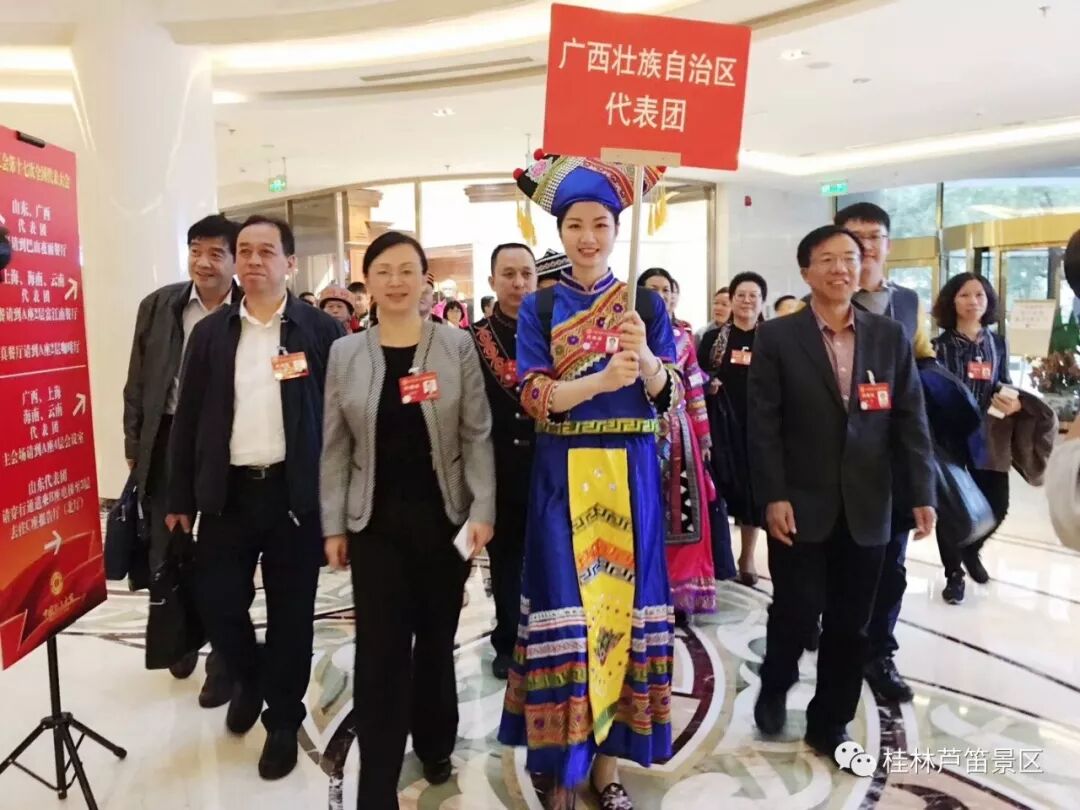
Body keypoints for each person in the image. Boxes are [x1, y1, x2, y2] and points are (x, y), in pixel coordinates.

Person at [500, 153, 678, 810]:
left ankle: (607, 766)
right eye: (575, 224)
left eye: (601, 224)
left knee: (621, 616)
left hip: (630, 472)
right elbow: (534, 395)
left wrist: (648, 359)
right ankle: (563, 764)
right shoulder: (540, 306)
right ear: (560, 231)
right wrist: (602, 380)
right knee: (569, 620)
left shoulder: (645, 304)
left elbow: (669, 397)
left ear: (617, 230)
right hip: (562, 473)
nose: (588, 236)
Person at [166, 214, 345, 780]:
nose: (253, 260)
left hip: (295, 498)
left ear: (289, 263)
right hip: (228, 496)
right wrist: (179, 496)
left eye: (266, 251)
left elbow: (341, 421)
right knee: (218, 603)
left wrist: (339, 505)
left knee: (292, 617)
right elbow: (187, 420)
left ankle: (284, 721)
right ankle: (249, 678)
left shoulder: (320, 331)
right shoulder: (211, 334)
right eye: (244, 250)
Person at [321, 231, 495, 809]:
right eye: (383, 271)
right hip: (374, 527)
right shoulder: (346, 353)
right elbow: (335, 447)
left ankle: (436, 739)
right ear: (368, 282)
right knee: (381, 654)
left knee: (436, 642)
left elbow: (476, 433)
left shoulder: (456, 346)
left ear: (425, 280)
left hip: (445, 524)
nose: (396, 281)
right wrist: (333, 524)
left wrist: (483, 510)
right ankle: (376, 786)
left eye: (407, 270)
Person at [749, 224, 935, 760]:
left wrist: (921, 492)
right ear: (806, 271)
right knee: (797, 610)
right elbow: (763, 425)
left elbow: (910, 419)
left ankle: (829, 721)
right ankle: (776, 681)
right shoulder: (778, 337)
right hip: (799, 501)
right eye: (827, 259)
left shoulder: (889, 336)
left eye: (850, 257)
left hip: (870, 503)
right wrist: (773, 495)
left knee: (852, 624)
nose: (841, 268)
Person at [122, 213, 238, 704]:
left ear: (234, 260)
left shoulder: (249, 308)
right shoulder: (159, 306)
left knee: (223, 556)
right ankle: (181, 638)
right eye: (196, 251)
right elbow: (137, 383)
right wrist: (135, 449)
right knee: (168, 549)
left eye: (216, 253)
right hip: (168, 438)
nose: (203, 262)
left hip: (228, 445)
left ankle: (223, 662)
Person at [834, 201, 937, 703]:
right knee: (837, 567)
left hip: (889, 466)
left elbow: (923, 372)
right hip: (833, 465)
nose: (865, 247)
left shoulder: (908, 304)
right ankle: (839, 643)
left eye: (874, 236)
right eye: (854, 237)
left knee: (890, 568)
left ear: (888, 244)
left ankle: (878, 653)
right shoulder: (821, 302)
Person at [468, 242, 537, 680]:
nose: (518, 283)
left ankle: (549, 638)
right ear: (492, 281)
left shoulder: (553, 332)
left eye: (526, 274)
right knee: (506, 560)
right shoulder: (471, 340)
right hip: (497, 469)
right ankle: (508, 639)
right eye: (508, 274)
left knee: (551, 559)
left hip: (549, 466)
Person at [931, 273, 1019, 604]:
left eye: (979, 295)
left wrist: (1012, 401)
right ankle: (954, 574)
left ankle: (970, 549)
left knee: (998, 504)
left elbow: (1005, 381)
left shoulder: (998, 344)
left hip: (989, 433)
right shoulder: (938, 347)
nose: (973, 301)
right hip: (949, 436)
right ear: (951, 301)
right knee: (952, 506)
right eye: (965, 295)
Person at [639, 268, 716, 620]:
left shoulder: (684, 337)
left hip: (678, 434)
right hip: (638, 432)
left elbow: (695, 388)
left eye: (666, 289)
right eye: (653, 289)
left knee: (681, 516)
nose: (662, 295)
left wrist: (703, 436)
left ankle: (681, 590)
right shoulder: (628, 334)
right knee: (642, 512)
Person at [698, 271, 767, 586]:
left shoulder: (771, 338)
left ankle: (747, 557)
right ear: (732, 299)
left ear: (762, 300)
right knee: (718, 489)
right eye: (741, 295)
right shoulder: (713, 338)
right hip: (720, 424)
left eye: (753, 295)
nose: (746, 301)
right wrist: (709, 383)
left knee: (753, 494)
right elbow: (697, 375)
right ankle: (718, 557)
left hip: (758, 423)